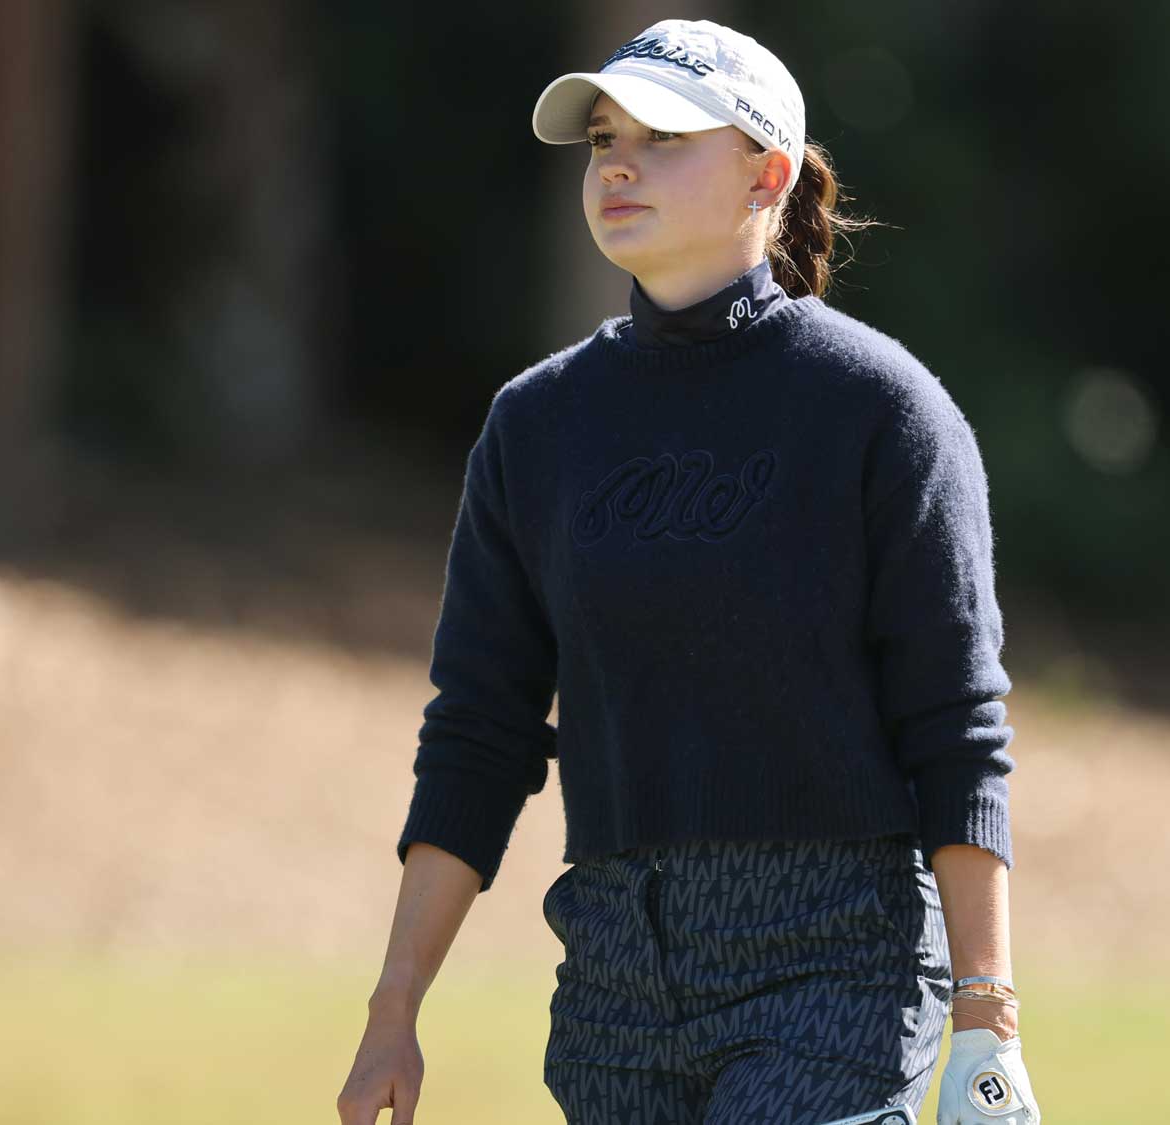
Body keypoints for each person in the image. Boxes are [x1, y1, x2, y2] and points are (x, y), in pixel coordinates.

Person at [337, 18, 1041, 1125]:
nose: (617, 161)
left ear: (766, 174)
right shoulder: (534, 427)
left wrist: (984, 1017)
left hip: (838, 966)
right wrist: (393, 1010)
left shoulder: (880, 410)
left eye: (662, 136)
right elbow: (480, 729)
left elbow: (954, 727)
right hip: (614, 981)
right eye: (603, 137)